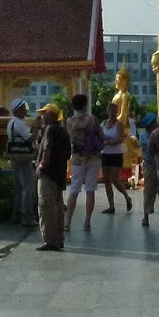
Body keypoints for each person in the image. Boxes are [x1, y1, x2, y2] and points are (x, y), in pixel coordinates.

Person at [64, 93, 103, 233]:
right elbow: (101, 136)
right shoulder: (92, 119)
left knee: (74, 189)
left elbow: (70, 140)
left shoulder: (70, 122)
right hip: (93, 157)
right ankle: (87, 222)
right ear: (85, 105)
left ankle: (67, 221)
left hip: (78, 158)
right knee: (90, 190)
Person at [34, 103, 69, 251]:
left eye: (44, 114)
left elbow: (47, 148)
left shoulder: (49, 130)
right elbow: (68, 153)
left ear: (50, 116)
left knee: (46, 206)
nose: (42, 117)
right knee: (58, 207)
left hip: (48, 174)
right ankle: (59, 238)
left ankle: (50, 240)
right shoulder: (63, 131)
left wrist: (43, 163)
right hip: (59, 174)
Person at [5, 98, 37, 228]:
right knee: (27, 186)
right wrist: (37, 129)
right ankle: (27, 215)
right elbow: (29, 139)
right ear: (18, 110)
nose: (25, 111)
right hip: (23, 157)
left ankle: (16, 213)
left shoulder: (11, 123)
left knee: (18, 187)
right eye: (23, 108)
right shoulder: (19, 123)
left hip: (14, 156)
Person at [99, 101, 133, 214]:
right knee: (106, 180)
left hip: (116, 153)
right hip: (105, 153)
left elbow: (120, 139)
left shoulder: (119, 124)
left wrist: (107, 143)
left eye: (114, 111)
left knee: (115, 179)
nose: (112, 113)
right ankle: (111, 205)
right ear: (107, 112)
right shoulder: (103, 123)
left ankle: (127, 196)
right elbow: (100, 136)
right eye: (111, 111)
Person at [138, 114, 159, 227]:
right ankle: (146, 216)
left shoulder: (157, 133)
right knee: (149, 191)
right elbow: (151, 147)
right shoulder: (145, 135)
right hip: (150, 165)